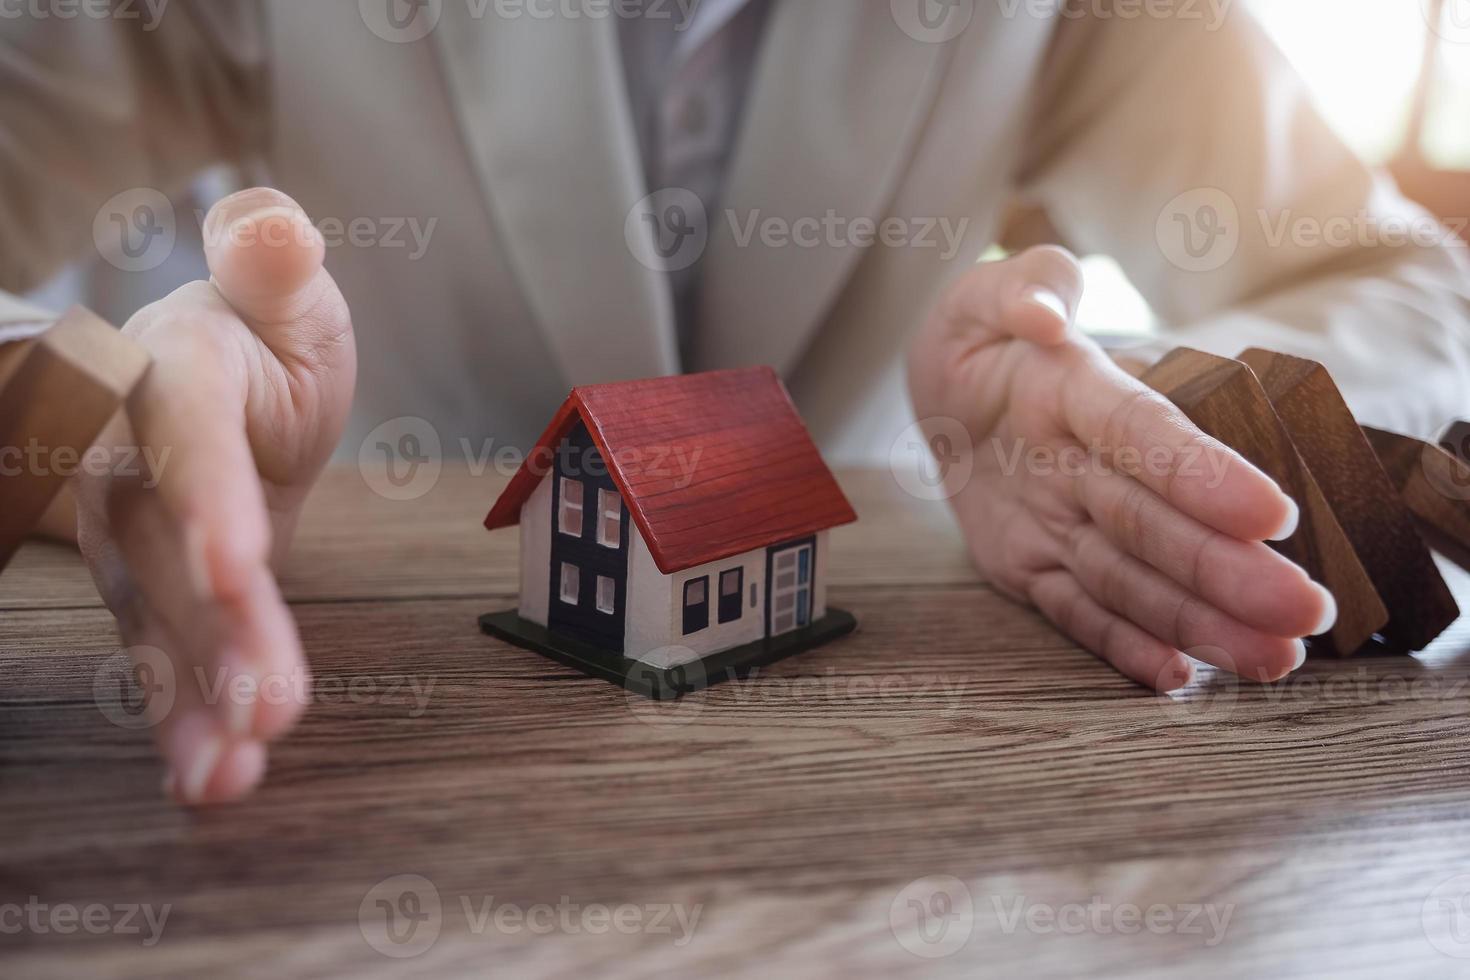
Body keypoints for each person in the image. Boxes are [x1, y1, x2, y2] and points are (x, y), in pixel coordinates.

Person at [2, 2, 1467, 804]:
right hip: (402, 713)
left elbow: (1383, 272)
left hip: (890, 735)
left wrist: (1152, 408)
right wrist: (82, 418)